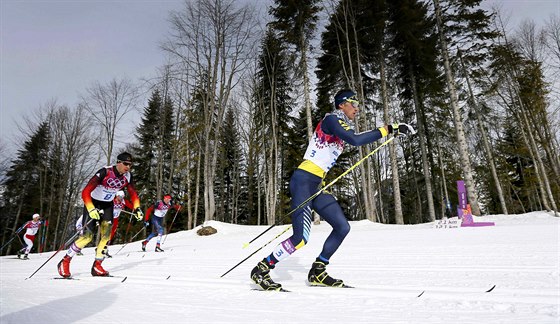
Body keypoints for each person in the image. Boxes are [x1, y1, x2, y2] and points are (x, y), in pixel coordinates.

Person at [250, 89, 416, 291]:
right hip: (303, 181)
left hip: (316, 185)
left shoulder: (341, 124)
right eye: (353, 103)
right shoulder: (331, 120)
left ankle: (318, 271)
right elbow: (355, 139)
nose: (357, 108)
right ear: (342, 104)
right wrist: (389, 128)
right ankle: (262, 269)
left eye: (357, 104)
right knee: (300, 238)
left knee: (342, 227)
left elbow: (349, 139)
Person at [57, 152, 143, 278]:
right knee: (87, 237)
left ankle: (97, 265)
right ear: (118, 162)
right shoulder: (105, 172)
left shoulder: (128, 176)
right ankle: (65, 261)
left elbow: (133, 193)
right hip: (93, 203)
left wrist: (137, 208)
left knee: (106, 236)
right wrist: (91, 209)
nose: (128, 167)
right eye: (126, 164)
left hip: (108, 205)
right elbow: (86, 191)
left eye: (130, 165)